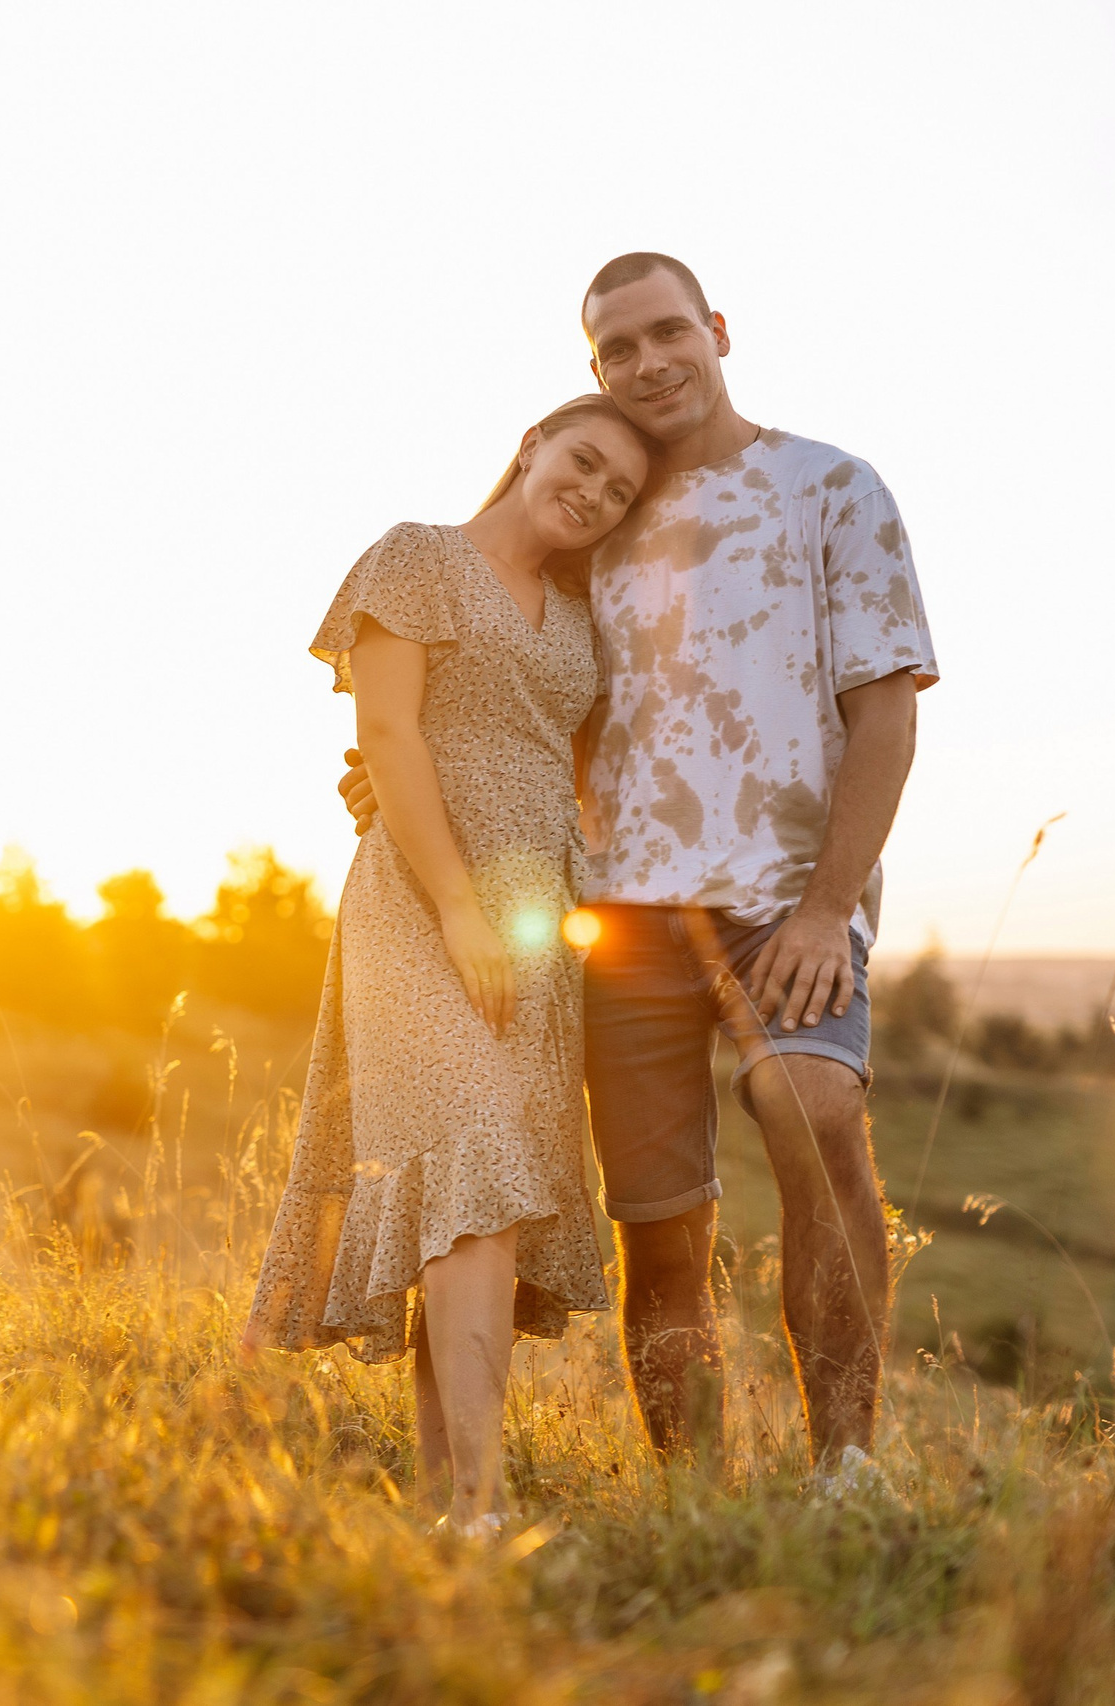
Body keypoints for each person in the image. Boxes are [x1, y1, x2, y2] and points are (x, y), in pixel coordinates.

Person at [341, 254, 939, 1482]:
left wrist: (829, 906)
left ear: (718, 329)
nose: (649, 361)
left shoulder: (829, 486)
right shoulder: (591, 521)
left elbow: (884, 711)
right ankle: (692, 1494)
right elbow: (494, 684)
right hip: (608, 912)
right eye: (618, 349)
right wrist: (395, 774)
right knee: (660, 1230)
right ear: (593, 370)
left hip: (784, 905)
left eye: (669, 331)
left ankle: (846, 1471)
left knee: (813, 1114)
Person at [242, 395, 656, 1535]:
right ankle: (481, 1501)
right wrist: (460, 905)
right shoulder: (416, 555)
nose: (593, 492)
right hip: (426, 908)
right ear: (531, 444)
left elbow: (580, 768)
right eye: (582, 461)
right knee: (470, 1163)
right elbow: (390, 734)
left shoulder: (577, 612)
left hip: (535, 918)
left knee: (477, 1204)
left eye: (618, 489)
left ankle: (447, 1506)